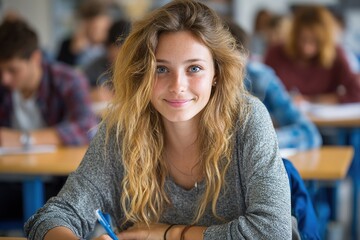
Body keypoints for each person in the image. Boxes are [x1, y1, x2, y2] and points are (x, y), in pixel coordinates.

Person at [25, 1, 292, 239]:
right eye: (160, 69)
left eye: (194, 68)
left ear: (216, 74)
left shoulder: (247, 118)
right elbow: (55, 215)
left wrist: (168, 233)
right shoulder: (123, 127)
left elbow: (272, 232)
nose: (177, 85)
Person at [226, 19, 322, 150]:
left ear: (245, 57)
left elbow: (309, 134)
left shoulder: (261, 79)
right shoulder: (199, 87)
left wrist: (260, 140)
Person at [0, 20, 97, 147]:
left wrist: (23, 139)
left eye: (13, 70)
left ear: (35, 58)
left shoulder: (68, 80)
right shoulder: (4, 87)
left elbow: (86, 129)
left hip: (56, 166)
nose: (4, 79)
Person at [264, 5, 360, 104]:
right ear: (294, 35)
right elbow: (260, 90)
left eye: (315, 42)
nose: (307, 48)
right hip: (280, 117)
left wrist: (311, 100)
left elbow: (357, 92)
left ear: (325, 41)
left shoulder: (336, 54)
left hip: (324, 118)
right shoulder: (276, 52)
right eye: (302, 39)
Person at [57, 0, 112, 68]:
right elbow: (59, 71)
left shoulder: (111, 46)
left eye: (103, 29)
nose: (99, 33)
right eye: (95, 28)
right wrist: (72, 52)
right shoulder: (68, 45)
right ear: (85, 25)